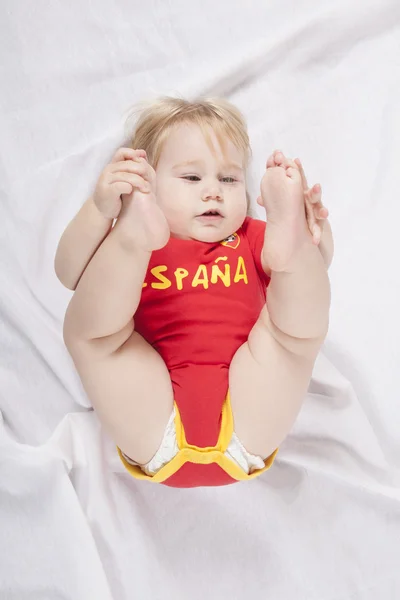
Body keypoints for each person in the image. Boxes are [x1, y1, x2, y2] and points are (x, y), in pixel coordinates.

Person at [54, 97, 333, 488]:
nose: (213, 192)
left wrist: (308, 231)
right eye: (191, 178)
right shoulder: (135, 248)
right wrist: (102, 210)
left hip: (250, 406)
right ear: (146, 183)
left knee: (292, 333)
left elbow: (319, 276)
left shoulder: (251, 237)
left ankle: (295, 241)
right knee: (93, 337)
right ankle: (132, 231)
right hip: (152, 411)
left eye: (229, 179)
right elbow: (68, 274)